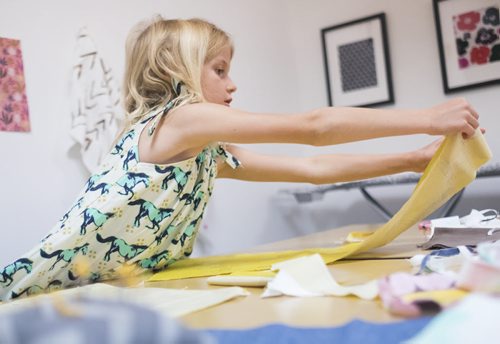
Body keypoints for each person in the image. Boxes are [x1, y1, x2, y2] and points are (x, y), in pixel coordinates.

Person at [0, 16, 482, 301]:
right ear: (180, 71)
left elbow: (312, 170)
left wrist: (411, 159)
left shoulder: (202, 152)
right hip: (41, 290)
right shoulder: (183, 121)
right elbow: (312, 130)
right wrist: (426, 118)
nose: (233, 85)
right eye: (220, 70)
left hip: (111, 289)